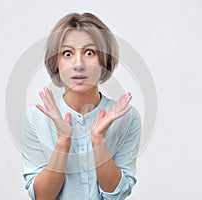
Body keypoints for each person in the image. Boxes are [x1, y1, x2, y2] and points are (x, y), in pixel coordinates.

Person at [21, 12, 141, 200]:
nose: (78, 64)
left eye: (89, 52)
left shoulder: (127, 117)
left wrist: (98, 139)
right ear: (56, 63)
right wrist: (63, 141)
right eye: (67, 54)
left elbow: (116, 196)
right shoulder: (36, 118)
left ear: (104, 60)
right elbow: (42, 197)